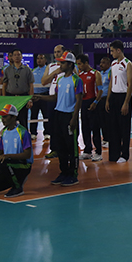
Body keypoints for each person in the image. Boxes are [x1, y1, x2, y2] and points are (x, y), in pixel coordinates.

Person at [33, 51, 82, 186]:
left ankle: (73, 174)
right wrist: (40, 97)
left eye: (63, 62)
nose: (60, 64)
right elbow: (55, 97)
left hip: (69, 116)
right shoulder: (60, 80)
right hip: (58, 114)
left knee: (71, 146)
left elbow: (79, 100)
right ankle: (64, 172)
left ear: (70, 64)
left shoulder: (76, 80)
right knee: (60, 146)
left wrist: (74, 118)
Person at [106, 40, 132, 164]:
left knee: (124, 128)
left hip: (123, 97)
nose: (111, 53)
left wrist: (126, 102)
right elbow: (111, 81)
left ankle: (125, 154)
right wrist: (108, 99)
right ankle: (114, 153)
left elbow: (130, 84)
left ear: (118, 50)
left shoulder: (128, 64)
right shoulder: (113, 64)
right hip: (114, 96)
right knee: (113, 127)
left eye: (112, 51)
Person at [76, 54, 103, 162]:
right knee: (85, 128)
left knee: (95, 129)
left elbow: (100, 90)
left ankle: (98, 152)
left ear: (86, 63)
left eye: (80, 64)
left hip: (93, 103)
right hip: (83, 102)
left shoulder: (96, 74)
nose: (78, 66)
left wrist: (95, 102)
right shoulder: (80, 74)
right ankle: (87, 151)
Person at [1, 48, 34, 130]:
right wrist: (4, 98)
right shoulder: (7, 70)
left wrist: (30, 99)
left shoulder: (27, 70)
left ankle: (24, 138)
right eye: (14, 55)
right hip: (11, 97)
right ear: (11, 57)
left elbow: (31, 85)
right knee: (10, 119)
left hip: (23, 98)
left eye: (18, 55)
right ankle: (10, 136)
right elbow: (4, 85)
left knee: (23, 120)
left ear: (22, 56)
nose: (16, 57)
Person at [40, 44, 65, 152]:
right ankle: (54, 149)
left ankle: (66, 149)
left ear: (64, 53)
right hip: (52, 99)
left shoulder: (69, 65)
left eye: (59, 52)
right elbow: (43, 81)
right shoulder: (50, 66)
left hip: (63, 99)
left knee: (64, 125)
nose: (56, 54)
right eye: (55, 52)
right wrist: (55, 72)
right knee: (52, 125)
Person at [98, 56, 112, 147]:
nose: (101, 64)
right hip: (100, 99)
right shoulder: (100, 73)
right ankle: (105, 138)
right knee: (102, 121)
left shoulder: (110, 72)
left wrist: (108, 100)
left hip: (108, 99)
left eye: (103, 63)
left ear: (108, 64)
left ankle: (110, 139)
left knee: (108, 120)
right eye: (100, 62)